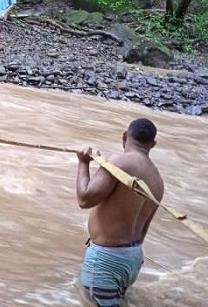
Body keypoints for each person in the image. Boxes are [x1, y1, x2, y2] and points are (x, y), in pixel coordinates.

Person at [75, 118, 164, 307]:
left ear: (124, 136)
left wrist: (83, 163)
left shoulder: (120, 162)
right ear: (153, 144)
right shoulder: (158, 180)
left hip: (106, 259)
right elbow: (143, 231)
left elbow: (85, 199)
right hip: (132, 258)